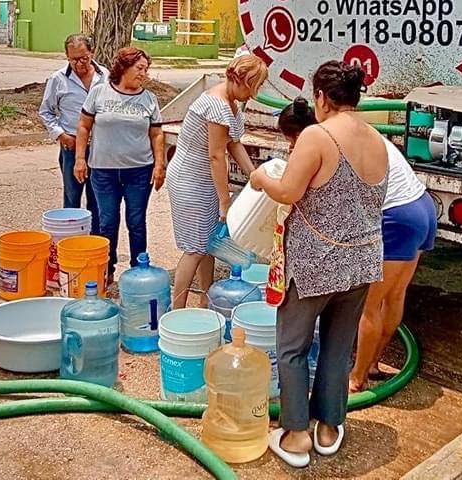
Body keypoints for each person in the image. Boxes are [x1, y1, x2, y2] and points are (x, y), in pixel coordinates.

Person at [249, 60, 387, 468]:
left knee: (292, 349)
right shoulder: (378, 139)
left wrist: (259, 179)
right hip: (362, 261)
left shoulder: (317, 135)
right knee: (338, 346)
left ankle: (295, 436)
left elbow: (288, 192)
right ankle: (328, 428)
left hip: (315, 264)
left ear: (323, 98)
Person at [167, 54, 268, 309]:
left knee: (208, 242)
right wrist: (225, 201)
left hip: (206, 179)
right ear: (238, 79)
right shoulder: (217, 105)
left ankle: (204, 300)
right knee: (194, 248)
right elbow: (216, 155)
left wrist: (254, 175)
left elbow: (234, 143)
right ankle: (176, 312)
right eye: (252, 87)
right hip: (189, 179)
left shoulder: (231, 104)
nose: (253, 95)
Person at [349, 138, 437, 392]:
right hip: (421, 205)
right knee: (395, 295)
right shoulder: (364, 133)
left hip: (398, 217)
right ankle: (372, 363)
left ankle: (357, 378)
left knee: (369, 305)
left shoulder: (328, 141)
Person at [75, 47, 165, 278]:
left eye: (146, 69)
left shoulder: (149, 99)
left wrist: (159, 165)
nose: (144, 73)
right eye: (140, 68)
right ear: (124, 67)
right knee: (107, 221)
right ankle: (106, 270)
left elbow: (156, 134)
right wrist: (80, 159)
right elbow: (84, 126)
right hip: (103, 171)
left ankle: (139, 270)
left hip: (139, 171)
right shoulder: (99, 92)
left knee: (136, 221)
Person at [38, 33, 107, 232]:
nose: (79, 64)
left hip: (100, 148)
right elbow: (46, 111)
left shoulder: (106, 76)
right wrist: (60, 135)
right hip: (71, 146)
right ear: (67, 57)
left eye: (84, 58)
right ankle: (70, 239)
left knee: (98, 199)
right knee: (72, 197)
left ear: (92, 53)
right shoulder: (58, 79)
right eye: (73, 59)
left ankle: (95, 243)